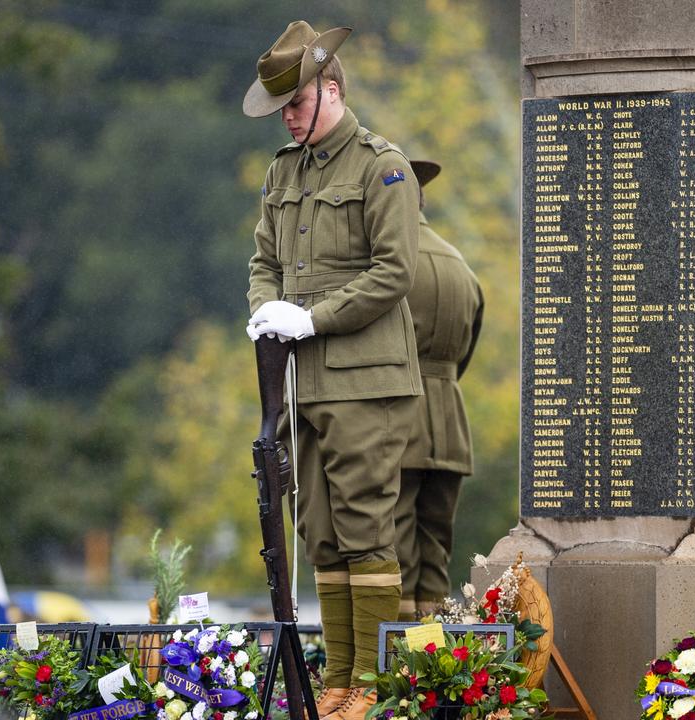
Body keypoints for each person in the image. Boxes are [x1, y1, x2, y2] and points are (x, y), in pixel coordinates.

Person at [242, 20, 422, 720]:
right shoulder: (285, 172)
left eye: (296, 103)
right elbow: (265, 260)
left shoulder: (383, 167)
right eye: (281, 107)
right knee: (321, 531)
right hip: (303, 383)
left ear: (332, 89)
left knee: (365, 529)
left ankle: (370, 685)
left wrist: (312, 318)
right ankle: (339, 680)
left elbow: (395, 272)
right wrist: (266, 309)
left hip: (366, 380)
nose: (287, 118)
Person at [394, 161, 484, 620]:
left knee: (394, 556)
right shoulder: (459, 264)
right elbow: (464, 356)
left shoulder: (387, 266)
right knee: (434, 560)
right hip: (449, 426)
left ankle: (395, 674)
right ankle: (430, 662)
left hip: (393, 420)